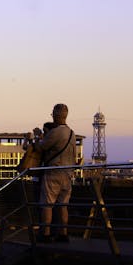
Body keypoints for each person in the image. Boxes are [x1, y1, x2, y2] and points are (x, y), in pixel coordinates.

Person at [33, 104, 76, 243]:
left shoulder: (56, 132)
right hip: (68, 173)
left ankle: (45, 234)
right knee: (63, 205)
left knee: (47, 204)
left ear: (56, 115)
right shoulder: (72, 133)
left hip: (54, 172)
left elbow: (41, 147)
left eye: (53, 115)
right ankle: (63, 234)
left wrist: (38, 136)